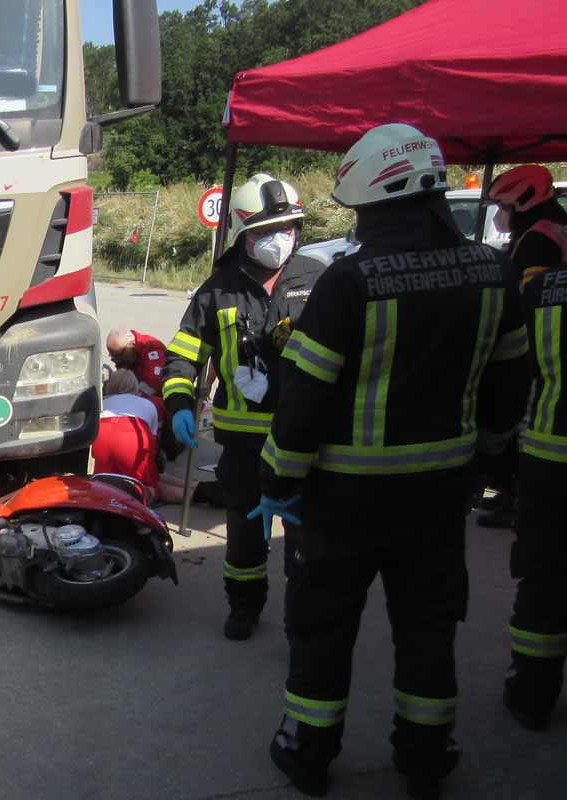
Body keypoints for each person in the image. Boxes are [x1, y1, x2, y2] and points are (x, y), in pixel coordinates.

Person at [255, 124, 530, 798]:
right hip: (440, 496)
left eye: (362, 212)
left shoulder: (351, 281)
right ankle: (427, 757)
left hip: (344, 500)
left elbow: (304, 399)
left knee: (323, 626)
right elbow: (509, 385)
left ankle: (308, 752)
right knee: (429, 629)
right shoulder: (493, 272)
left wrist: (280, 480)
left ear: (379, 199)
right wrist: (491, 460)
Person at [162, 173, 326, 641]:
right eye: (267, 231)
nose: (281, 239)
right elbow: (183, 355)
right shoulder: (217, 290)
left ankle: (303, 617)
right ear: (243, 234)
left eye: (289, 227)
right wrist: (178, 403)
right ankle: (244, 607)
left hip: (303, 440)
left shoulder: (316, 279)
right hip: (244, 444)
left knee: (302, 541)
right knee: (245, 538)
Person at [488, 164, 567, 731]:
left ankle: (532, 693)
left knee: (543, 577)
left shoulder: (537, 273)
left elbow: (512, 352)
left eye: (505, 208)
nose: (499, 218)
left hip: (549, 449)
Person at [92, 369, 166, 501]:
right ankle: (192, 491)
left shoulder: (101, 403)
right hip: (131, 434)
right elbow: (152, 446)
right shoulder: (148, 404)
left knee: (104, 483)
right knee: (145, 487)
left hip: (102, 434)